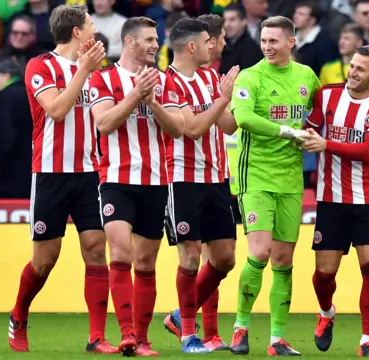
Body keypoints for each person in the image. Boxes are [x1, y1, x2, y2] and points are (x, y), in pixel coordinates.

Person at [8, 4, 116, 354]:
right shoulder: (40, 66)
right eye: (90, 26)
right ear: (75, 33)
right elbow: (56, 110)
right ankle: (19, 313)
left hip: (88, 173)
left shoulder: (95, 70)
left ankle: (96, 336)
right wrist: (83, 71)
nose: (95, 32)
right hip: (51, 175)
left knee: (96, 249)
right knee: (44, 260)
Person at [89, 16, 185, 357]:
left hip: (155, 181)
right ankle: (127, 334)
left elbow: (177, 130)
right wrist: (135, 96)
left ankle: (142, 339)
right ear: (129, 42)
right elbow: (105, 123)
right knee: (120, 253)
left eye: (155, 40)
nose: (155, 45)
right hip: (116, 179)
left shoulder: (164, 82)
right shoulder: (102, 79)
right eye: (148, 40)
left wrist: (153, 101)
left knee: (145, 262)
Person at [228, 16, 321, 356]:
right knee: (260, 252)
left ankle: (277, 338)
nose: (267, 46)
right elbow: (244, 118)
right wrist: (287, 132)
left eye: (274, 41)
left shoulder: (306, 77)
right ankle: (240, 328)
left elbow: (319, 115)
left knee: (283, 260)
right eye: (264, 40)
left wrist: (311, 134)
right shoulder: (250, 77)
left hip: (291, 180)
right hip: (256, 177)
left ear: (291, 42)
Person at [301, 45, 369, 358]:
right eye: (351, 66)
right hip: (330, 199)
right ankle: (327, 313)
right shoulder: (326, 95)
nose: (353, 72)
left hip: (368, 198)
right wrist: (303, 137)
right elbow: (308, 132)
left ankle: (367, 339)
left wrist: (326, 143)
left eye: (360, 69)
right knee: (325, 274)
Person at [160, 16, 239, 353]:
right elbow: (191, 129)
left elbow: (228, 126)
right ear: (192, 46)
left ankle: (179, 315)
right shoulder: (169, 84)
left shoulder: (209, 77)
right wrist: (221, 99)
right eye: (208, 41)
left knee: (224, 259)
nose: (213, 46)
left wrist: (244, 102)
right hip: (183, 179)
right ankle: (189, 335)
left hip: (216, 178)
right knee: (190, 256)